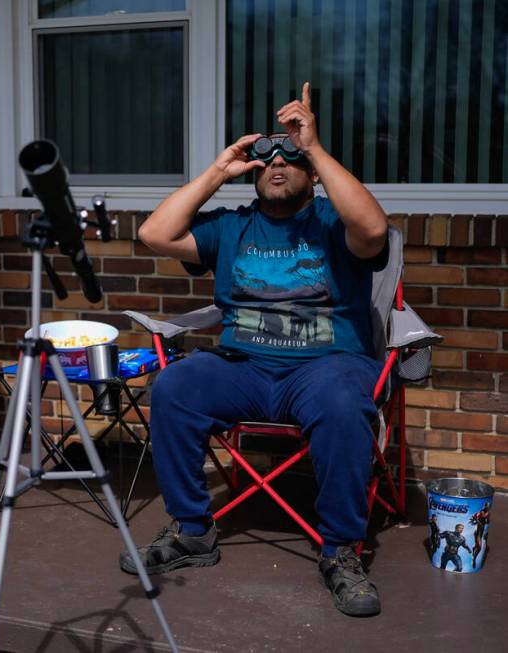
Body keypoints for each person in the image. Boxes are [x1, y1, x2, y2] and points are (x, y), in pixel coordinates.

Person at [122, 82, 389, 617]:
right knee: (174, 385)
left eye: (290, 155)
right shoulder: (231, 227)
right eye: (267, 155)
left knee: (342, 407)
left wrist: (312, 145)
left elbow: (375, 229)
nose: (276, 162)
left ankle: (341, 551)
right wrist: (218, 173)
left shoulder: (334, 223)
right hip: (244, 366)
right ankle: (194, 533)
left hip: (326, 366)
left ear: (311, 174)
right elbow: (154, 233)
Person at [470, 502, 491, 568]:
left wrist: (487, 517)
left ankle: (474, 549)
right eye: (487, 506)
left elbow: (487, 522)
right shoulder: (481, 512)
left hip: (481, 532)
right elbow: (475, 517)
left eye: (488, 506)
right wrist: (478, 521)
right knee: (479, 547)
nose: (487, 507)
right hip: (478, 532)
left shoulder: (487, 513)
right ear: (485, 506)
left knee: (478, 546)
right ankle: (474, 560)